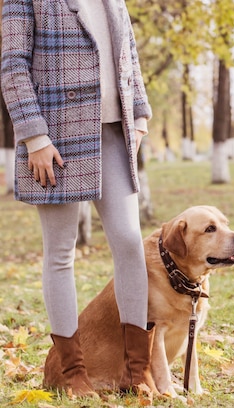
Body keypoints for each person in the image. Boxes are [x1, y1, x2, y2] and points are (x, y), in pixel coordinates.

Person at [1, 0, 157, 400]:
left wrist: (139, 117)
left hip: (113, 132)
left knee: (128, 244)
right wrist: (34, 136)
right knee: (60, 252)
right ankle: (73, 373)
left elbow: (129, 52)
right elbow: (13, 65)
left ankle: (136, 371)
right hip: (55, 139)